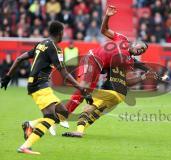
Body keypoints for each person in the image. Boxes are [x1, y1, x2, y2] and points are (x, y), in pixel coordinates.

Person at [0, 21, 93, 155]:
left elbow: (20, 58)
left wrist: (8, 76)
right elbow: (64, 73)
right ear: (60, 33)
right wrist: (83, 90)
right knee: (51, 118)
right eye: (64, 33)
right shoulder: (55, 48)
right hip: (40, 85)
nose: (64, 35)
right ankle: (25, 146)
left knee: (63, 113)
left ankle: (30, 124)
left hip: (38, 84)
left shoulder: (42, 44)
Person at [65, 6, 149, 113]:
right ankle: (61, 113)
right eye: (141, 47)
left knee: (84, 93)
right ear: (135, 43)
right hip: (92, 58)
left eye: (143, 51)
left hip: (98, 68)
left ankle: (63, 115)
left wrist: (143, 77)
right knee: (84, 86)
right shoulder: (122, 39)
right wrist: (107, 16)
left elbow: (127, 81)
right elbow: (104, 30)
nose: (141, 50)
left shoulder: (128, 60)